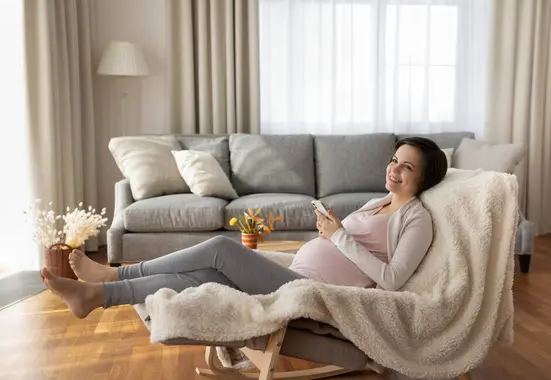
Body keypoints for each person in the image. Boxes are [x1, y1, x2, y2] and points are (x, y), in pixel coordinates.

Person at [41, 137, 448, 319]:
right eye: (394, 159)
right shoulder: (378, 202)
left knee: (220, 247)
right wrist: (330, 232)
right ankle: (97, 296)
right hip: (296, 273)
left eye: (406, 166)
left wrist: (337, 235)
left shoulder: (416, 218)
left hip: (312, 293)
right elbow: (343, 246)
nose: (393, 169)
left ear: (424, 179)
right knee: (202, 273)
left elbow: (393, 281)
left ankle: (115, 273)